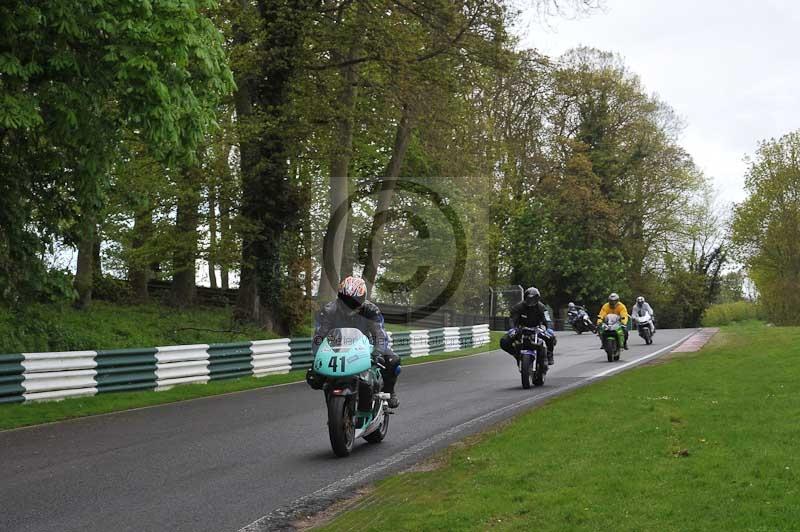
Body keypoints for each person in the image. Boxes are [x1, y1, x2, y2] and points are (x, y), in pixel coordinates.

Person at [307, 276, 401, 408]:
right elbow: (319, 335)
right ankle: (334, 408)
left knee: (392, 360)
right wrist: (317, 355)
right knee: (315, 377)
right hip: (337, 348)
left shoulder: (371, 310)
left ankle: (389, 391)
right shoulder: (329, 310)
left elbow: (380, 335)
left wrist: (377, 353)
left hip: (365, 346)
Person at [500, 287, 556, 365]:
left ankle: (549, 355)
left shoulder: (542, 307)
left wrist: (549, 328)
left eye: (534, 299)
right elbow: (512, 319)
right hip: (521, 329)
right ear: (525, 298)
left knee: (551, 337)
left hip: (536, 329)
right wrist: (512, 329)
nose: (532, 302)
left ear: (538, 299)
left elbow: (547, 319)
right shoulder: (518, 307)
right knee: (504, 342)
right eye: (530, 299)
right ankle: (516, 354)